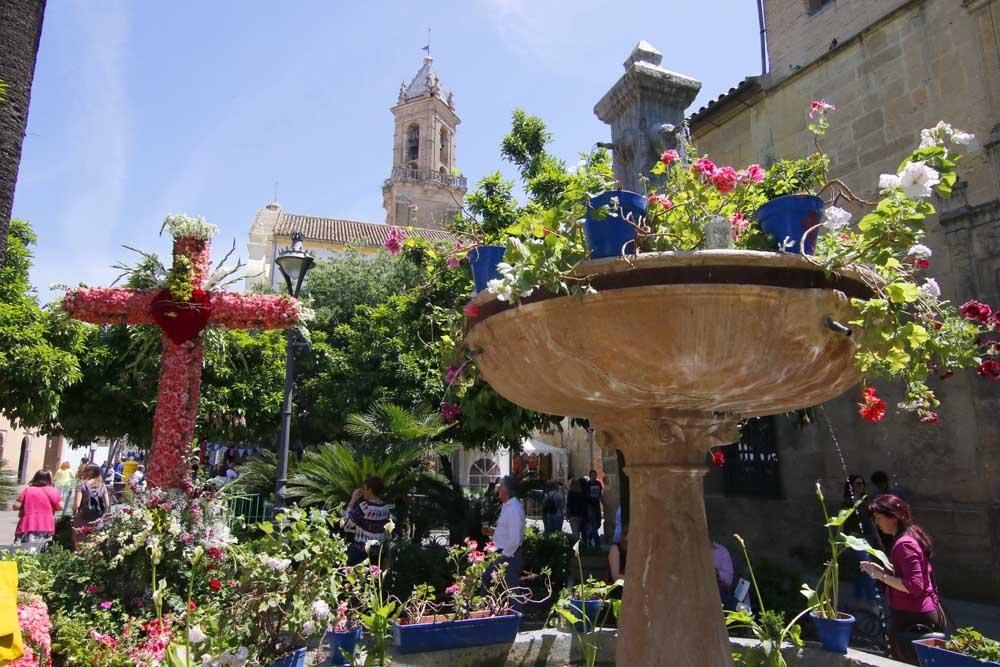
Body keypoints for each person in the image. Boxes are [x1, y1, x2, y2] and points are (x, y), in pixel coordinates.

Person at [860, 495, 946, 662]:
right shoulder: (910, 534)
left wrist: (881, 576)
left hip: (914, 617)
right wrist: (883, 571)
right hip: (915, 614)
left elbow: (914, 585)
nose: (877, 523)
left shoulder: (904, 544)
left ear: (893, 517)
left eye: (879, 518)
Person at [483, 475, 526, 593]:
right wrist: (493, 532)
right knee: (506, 589)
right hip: (506, 553)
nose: (498, 489)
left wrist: (503, 556)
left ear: (505, 490)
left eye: (500, 486)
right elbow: (508, 531)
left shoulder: (513, 509)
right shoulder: (507, 506)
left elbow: (515, 539)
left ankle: (516, 612)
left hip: (509, 555)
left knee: (510, 589)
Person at [342, 476, 391, 565]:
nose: (362, 491)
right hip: (377, 554)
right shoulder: (385, 508)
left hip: (360, 551)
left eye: (364, 488)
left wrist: (353, 500)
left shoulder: (365, 507)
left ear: (370, 490)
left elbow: (347, 525)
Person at [843, 474, 877, 604]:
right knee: (864, 567)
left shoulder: (865, 500)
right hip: (854, 538)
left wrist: (877, 539)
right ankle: (870, 598)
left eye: (863, 483)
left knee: (863, 568)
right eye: (858, 483)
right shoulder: (847, 503)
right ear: (851, 486)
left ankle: (862, 597)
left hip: (868, 537)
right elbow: (842, 523)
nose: (861, 486)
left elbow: (872, 521)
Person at [13, 470, 63, 544]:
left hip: (27, 525)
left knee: (22, 551)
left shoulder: (28, 490)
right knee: (41, 551)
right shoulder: (53, 491)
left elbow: (16, 506)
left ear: (35, 478)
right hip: (46, 525)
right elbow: (61, 507)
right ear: (49, 479)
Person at [72, 463, 110, 550]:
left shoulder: (82, 486)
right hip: (97, 519)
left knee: (79, 544)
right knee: (95, 544)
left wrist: (73, 510)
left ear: (88, 472)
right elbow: (107, 504)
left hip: (83, 517)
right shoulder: (103, 486)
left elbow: (76, 505)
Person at [585, 470, 603, 547]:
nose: (594, 476)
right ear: (590, 476)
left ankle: (589, 536)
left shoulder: (598, 483)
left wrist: (602, 502)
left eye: (595, 474)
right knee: (594, 524)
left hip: (597, 505)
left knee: (598, 523)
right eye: (592, 475)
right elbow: (586, 495)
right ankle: (597, 541)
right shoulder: (588, 484)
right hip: (590, 506)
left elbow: (600, 494)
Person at [608, 524, 628, 591]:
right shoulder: (615, 549)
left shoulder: (637, 551)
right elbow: (615, 577)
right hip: (615, 587)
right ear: (625, 536)